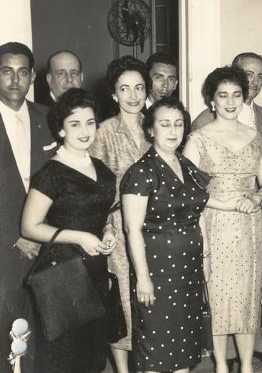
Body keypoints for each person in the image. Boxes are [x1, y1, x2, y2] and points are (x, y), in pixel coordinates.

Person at [121, 97, 228, 373]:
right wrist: (142, 277)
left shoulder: (188, 166)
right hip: (157, 272)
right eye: (164, 124)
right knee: (156, 349)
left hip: (189, 271)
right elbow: (132, 229)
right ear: (150, 130)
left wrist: (205, 258)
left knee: (184, 348)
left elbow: (199, 212)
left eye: (178, 124)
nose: (172, 130)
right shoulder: (141, 172)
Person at [183, 66, 262, 373]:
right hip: (214, 225)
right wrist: (221, 203)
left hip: (250, 226)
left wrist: (258, 197)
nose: (230, 101)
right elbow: (185, 192)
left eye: (237, 94)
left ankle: (247, 365)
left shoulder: (256, 137)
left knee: (248, 296)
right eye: (223, 95)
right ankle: (222, 365)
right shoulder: (198, 139)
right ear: (211, 100)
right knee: (220, 296)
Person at [21, 88, 117, 373]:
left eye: (90, 122)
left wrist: (109, 230)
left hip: (95, 268)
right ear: (61, 129)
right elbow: (29, 226)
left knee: (92, 355)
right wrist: (79, 236)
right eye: (75, 124)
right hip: (62, 272)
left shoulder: (100, 167)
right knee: (64, 357)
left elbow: (105, 212)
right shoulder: (51, 173)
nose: (85, 130)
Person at [89, 55, 151, 373]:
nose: (132, 95)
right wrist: (106, 228)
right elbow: (97, 189)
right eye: (124, 88)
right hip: (120, 229)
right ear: (114, 94)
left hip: (157, 229)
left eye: (139, 87)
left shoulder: (157, 125)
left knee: (153, 303)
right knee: (124, 304)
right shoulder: (103, 132)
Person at [0, 41, 56, 373]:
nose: (14, 80)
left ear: (32, 76)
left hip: (44, 244)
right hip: (5, 244)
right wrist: (15, 235)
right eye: (6, 71)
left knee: (43, 327)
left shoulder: (47, 118)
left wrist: (41, 232)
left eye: (22, 72)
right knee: (7, 328)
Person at [192, 52, 262, 137]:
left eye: (260, 76)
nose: (255, 81)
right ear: (234, 75)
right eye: (249, 74)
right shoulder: (204, 122)